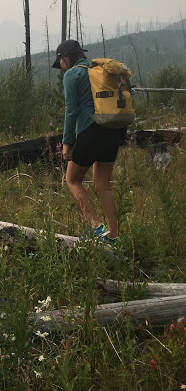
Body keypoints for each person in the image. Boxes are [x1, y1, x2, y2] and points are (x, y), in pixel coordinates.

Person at [52, 39, 123, 246]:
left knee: (72, 180)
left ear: (66, 57)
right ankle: (113, 236)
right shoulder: (99, 71)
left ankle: (96, 227)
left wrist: (66, 143)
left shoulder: (72, 74)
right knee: (103, 185)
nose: (61, 66)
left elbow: (71, 111)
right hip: (112, 131)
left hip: (90, 131)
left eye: (61, 62)